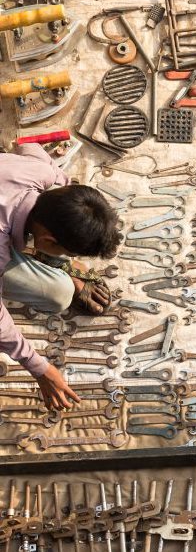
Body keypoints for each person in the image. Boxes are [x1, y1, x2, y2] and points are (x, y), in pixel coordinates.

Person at [0, 143, 121, 411]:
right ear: (48, 240)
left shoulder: (39, 170)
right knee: (58, 294)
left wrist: (66, 190)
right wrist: (39, 367)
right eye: (66, 253)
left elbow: (28, 146)